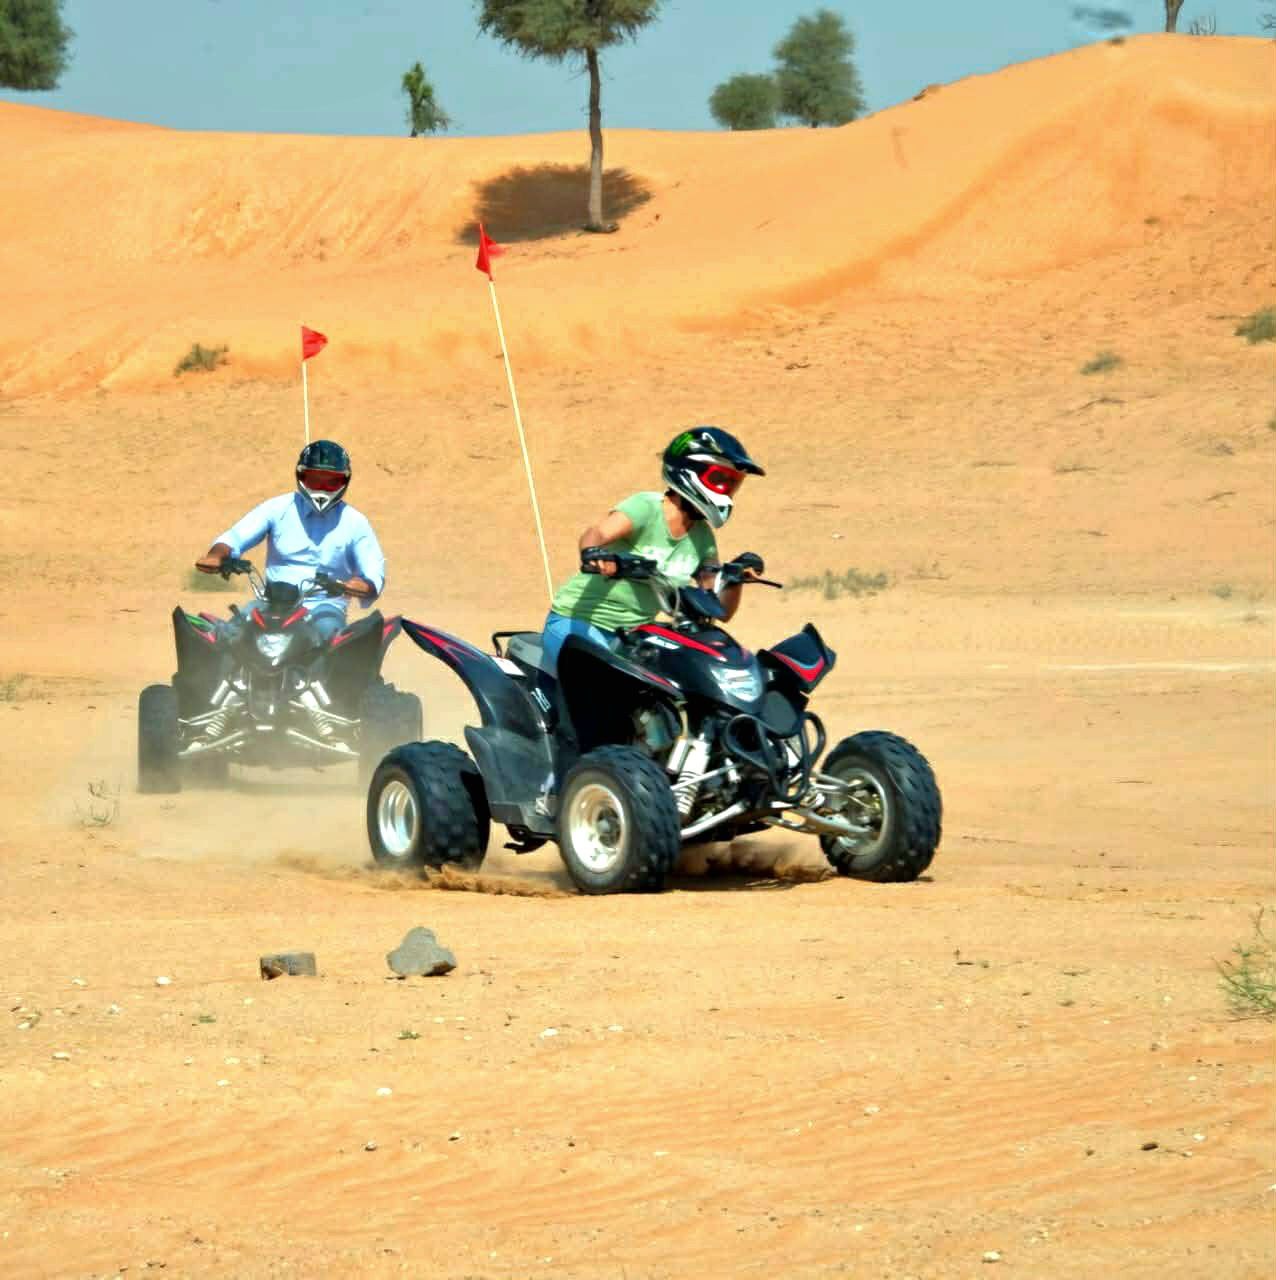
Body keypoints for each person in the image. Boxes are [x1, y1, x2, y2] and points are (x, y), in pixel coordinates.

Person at [542, 426, 766, 674]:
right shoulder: (646, 508)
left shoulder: (703, 538)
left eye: (733, 484)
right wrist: (594, 554)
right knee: (602, 683)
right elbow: (597, 533)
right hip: (578, 622)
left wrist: (734, 578)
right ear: (690, 471)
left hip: (632, 637)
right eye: (721, 479)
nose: (728, 491)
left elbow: (717, 608)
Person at [194, 439, 385, 644]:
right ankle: (214, 677)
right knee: (231, 634)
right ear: (301, 476)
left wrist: (364, 584)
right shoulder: (277, 508)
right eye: (314, 480)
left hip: (324, 606)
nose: (322, 488)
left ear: (344, 482)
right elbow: (235, 537)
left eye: (331, 481)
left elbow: (374, 570)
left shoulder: (355, 522)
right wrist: (217, 555)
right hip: (272, 603)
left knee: (329, 637)